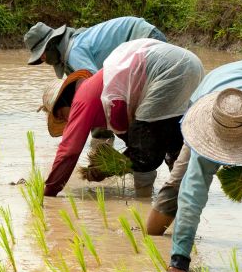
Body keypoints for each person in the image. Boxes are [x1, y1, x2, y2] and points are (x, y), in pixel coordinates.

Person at [136, 59, 242, 272]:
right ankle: (152, 236)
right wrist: (179, 260)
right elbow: (192, 197)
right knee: (181, 180)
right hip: (210, 96)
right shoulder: (206, 135)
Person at [42, 39, 203, 197]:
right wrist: (105, 168)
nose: (69, 121)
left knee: (144, 158)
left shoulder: (81, 98)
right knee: (175, 144)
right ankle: (185, 198)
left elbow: (68, 152)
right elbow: (137, 142)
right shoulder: (109, 97)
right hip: (191, 64)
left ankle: (144, 203)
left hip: (167, 69)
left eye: (63, 115)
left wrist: (49, 192)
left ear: (65, 100)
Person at [24, 16, 167, 79]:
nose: (43, 60)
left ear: (51, 45)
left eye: (42, 55)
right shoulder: (75, 42)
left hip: (145, 39)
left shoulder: (74, 53)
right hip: (142, 39)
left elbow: (95, 87)